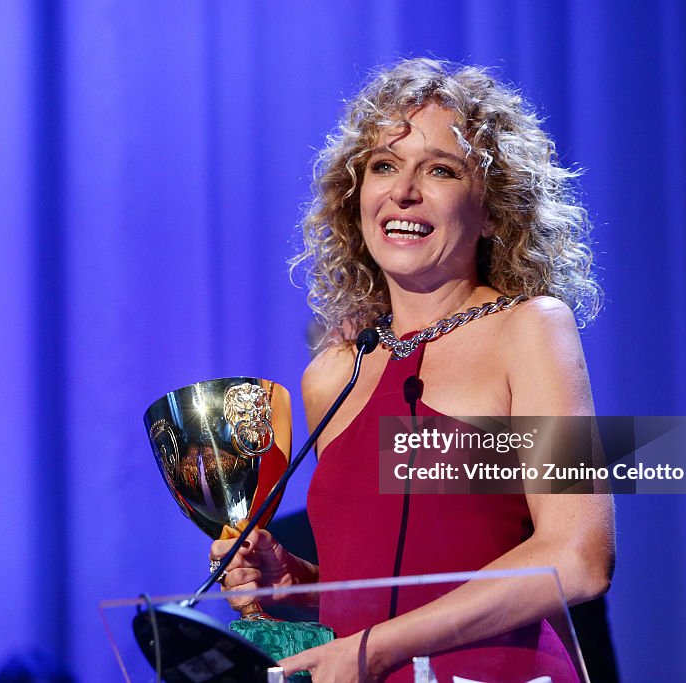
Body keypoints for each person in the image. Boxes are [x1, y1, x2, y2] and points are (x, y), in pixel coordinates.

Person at [210, 58, 615, 682]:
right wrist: (300, 587)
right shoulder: (332, 376)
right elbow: (382, 591)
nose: (403, 191)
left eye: (441, 169)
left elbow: (579, 555)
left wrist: (372, 647)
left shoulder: (529, 328)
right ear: (356, 197)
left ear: (492, 209)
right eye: (384, 166)